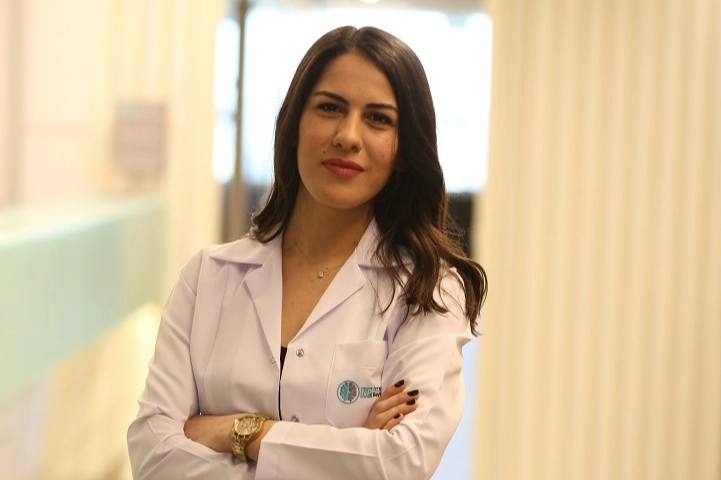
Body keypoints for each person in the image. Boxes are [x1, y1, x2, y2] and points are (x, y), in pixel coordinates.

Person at [127, 25, 487, 480]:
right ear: (295, 124)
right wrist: (349, 451)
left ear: (403, 151)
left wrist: (238, 432)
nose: (348, 135)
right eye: (330, 107)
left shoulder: (428, 291)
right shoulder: (209, 276)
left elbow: (400, 461)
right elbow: (153, 455)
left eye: (378, 118)